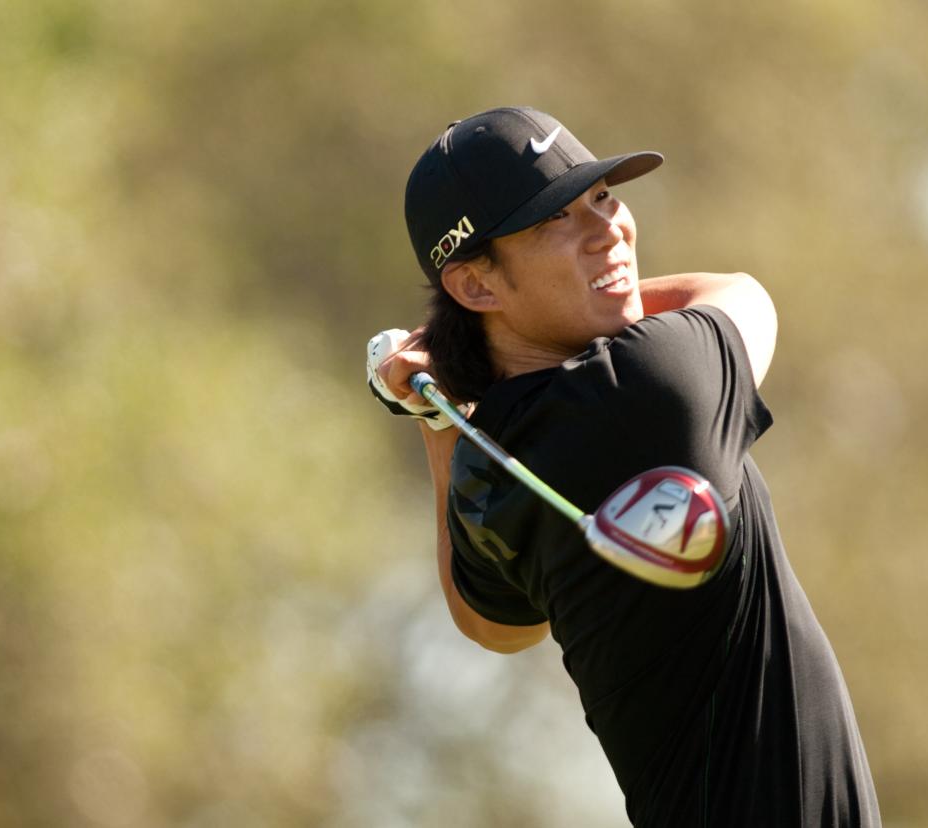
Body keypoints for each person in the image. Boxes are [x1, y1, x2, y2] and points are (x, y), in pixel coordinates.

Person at [368, 106, 880, 827]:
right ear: (476, 286)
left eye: (602, 197)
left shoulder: (490, 469)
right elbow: (743, 294)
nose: (608, 229)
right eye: (555, 220)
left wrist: (437, 410)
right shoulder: (653, 384)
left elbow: (491, 624)